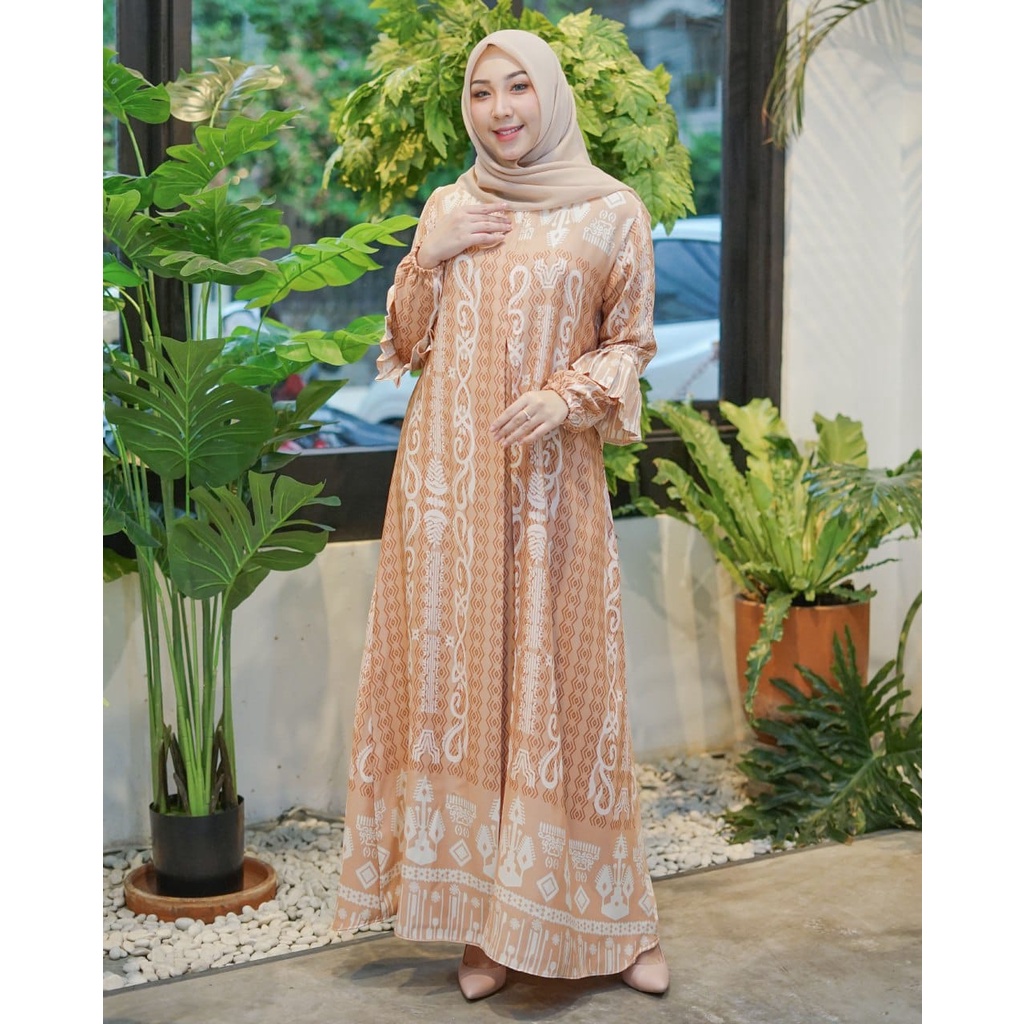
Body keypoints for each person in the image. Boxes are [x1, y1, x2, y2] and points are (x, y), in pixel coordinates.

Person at [332, 28, 670, 1000]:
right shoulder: (451, 203)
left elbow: (630, 342)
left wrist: (566, 397)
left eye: (517, 87)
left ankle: (616, 923)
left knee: (570, 692)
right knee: (465, 694)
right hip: (449, 489)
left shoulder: (611, 210)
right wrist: (424, 255)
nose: (500, 108)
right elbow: (407, 344)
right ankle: (483, 928)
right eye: (481, 92)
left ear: (549, 94)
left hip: (551, 488)